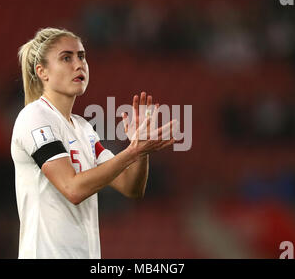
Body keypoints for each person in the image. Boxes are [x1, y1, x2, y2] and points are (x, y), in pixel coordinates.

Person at [11, 27, 177, 259]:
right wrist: (132, 152)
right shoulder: (34, 117)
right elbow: (72, 188)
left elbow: (131, 187)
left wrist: (141, 150)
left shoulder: (84, 128)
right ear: (42, 72)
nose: (79, 64)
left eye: (82, 56)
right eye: (66, 58)